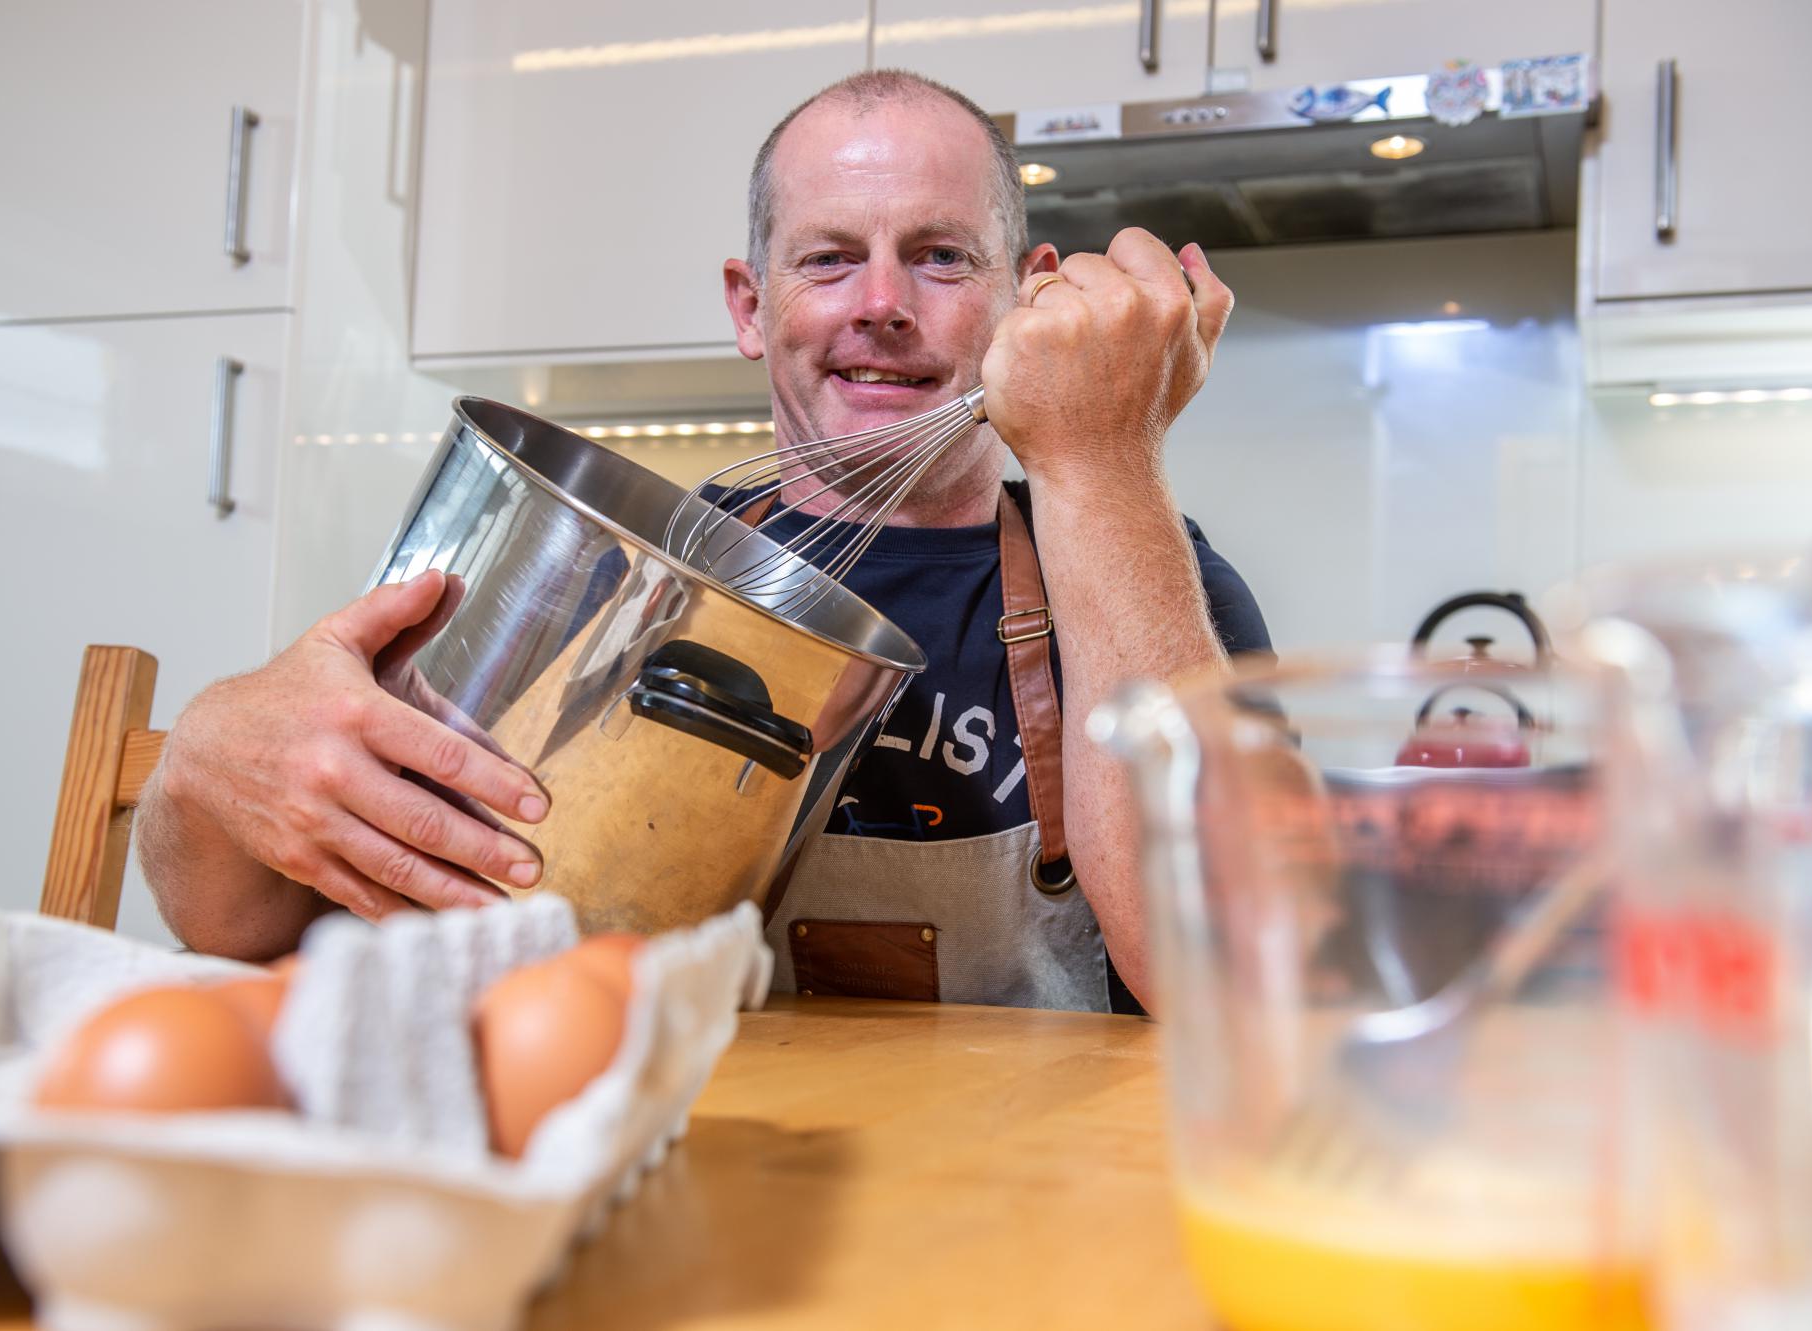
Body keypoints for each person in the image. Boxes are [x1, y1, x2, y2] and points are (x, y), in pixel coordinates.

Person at [136, 69, 1269, 1014]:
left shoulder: (1147, 572)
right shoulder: (591, 579)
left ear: (1027, 299)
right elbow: (245, 927)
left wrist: (1102, 456)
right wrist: (204, 767)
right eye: (827, 259)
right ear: (747, 304)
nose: (878, 301)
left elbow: (1234, 984)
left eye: (938, 255)